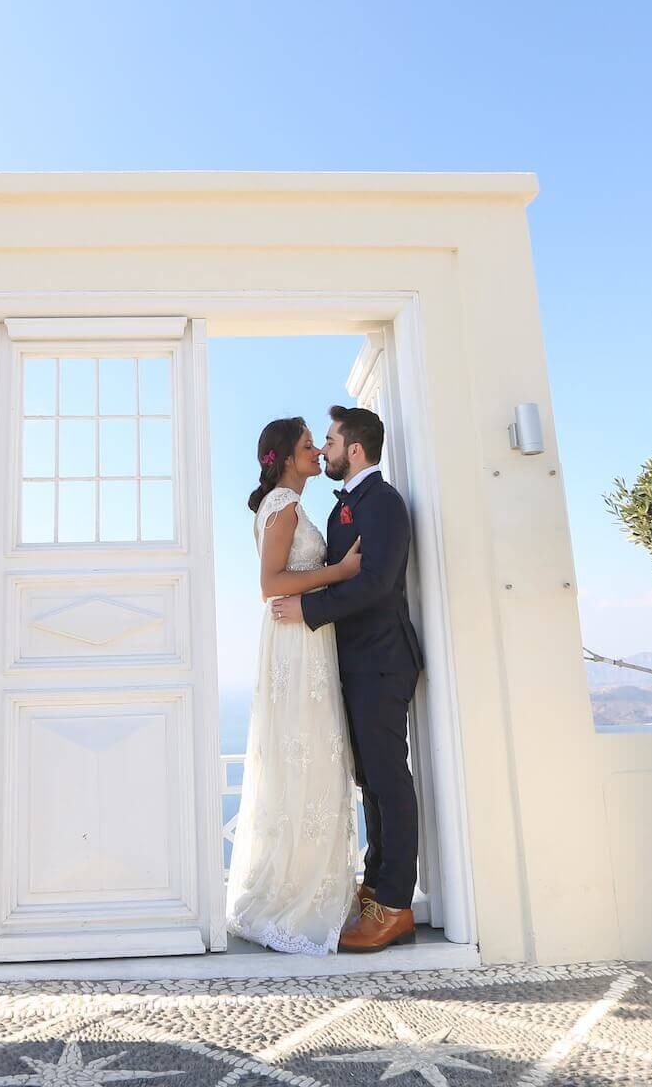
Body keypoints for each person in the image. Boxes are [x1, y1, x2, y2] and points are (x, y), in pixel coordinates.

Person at [269, 404, 423, 952]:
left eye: (330, 440)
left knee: (388, 780)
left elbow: (378, 583)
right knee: (370, 782)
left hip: (382, 660)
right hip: (353, 661)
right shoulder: (344, 510)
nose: (325, 448)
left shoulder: (382, 503)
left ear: (354, 449)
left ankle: (395, 904)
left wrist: (309, 612)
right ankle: (376, 889)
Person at [225, 417, 362, 954]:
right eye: (307, 445)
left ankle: (314, 885)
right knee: (305, 757)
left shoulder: (292, 504)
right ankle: (293, 896)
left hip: (306, 640)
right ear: (284, 457)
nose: (315, 451)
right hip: (294, 646)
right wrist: (341, 572)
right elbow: (270, 584)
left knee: (311, 759)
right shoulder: (281, 505)